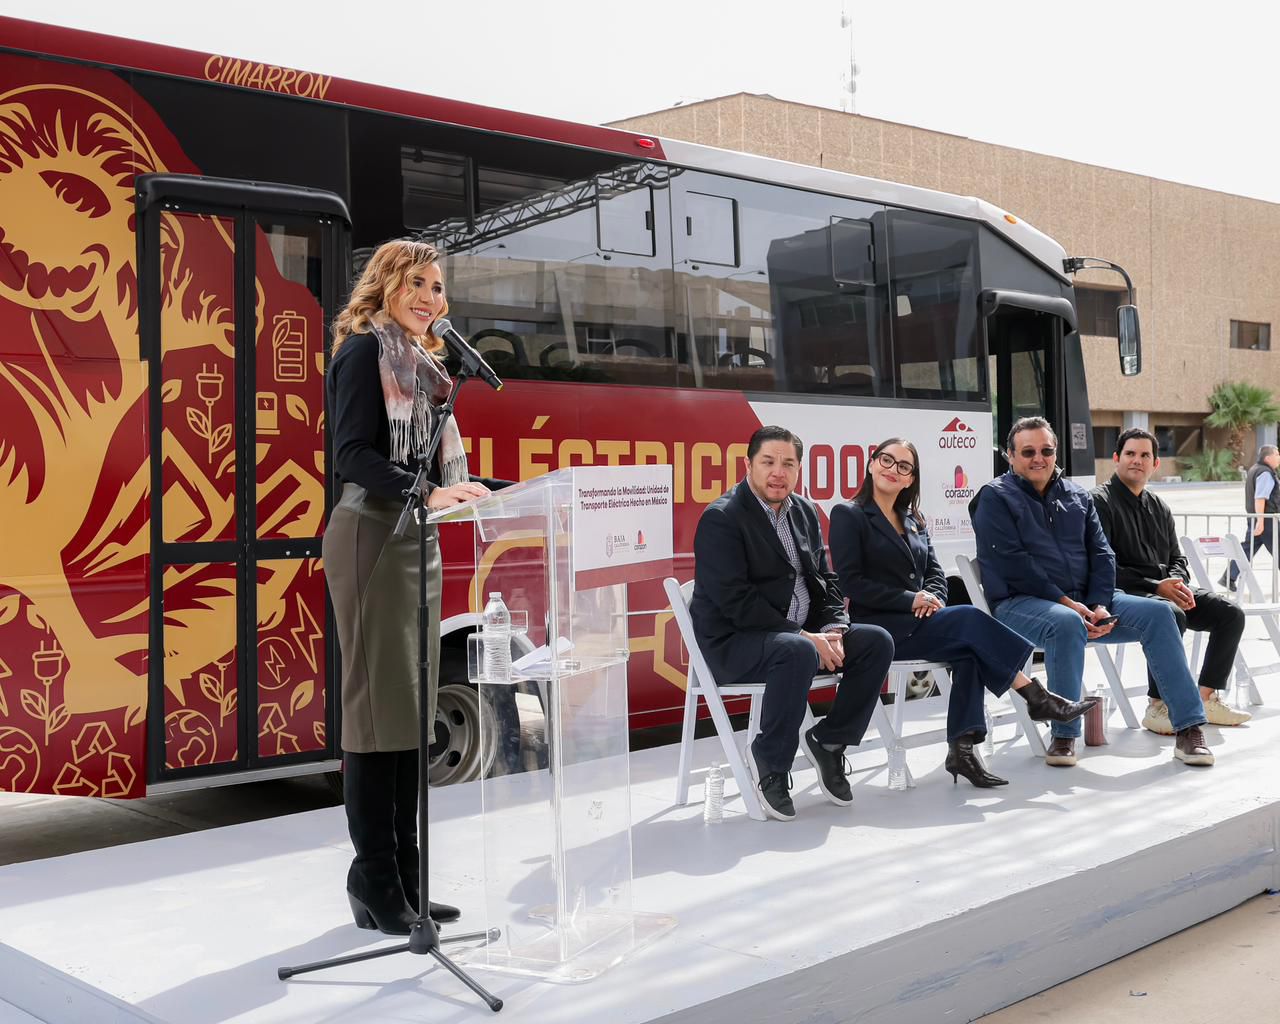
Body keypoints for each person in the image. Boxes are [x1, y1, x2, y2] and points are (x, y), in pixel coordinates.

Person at [322, 239, 501, 934]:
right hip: (371, 535)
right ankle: (374, 878)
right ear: (388, 285)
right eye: (417, 283)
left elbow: (430, 465)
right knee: (377, 716)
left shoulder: (425, 366)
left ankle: (406, 877)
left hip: (414, 537)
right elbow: (353, 455)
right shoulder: (363, 353)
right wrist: (427, 492)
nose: (431, 297)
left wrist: (485, 490)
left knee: (409, 715)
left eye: (438, 286)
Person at [829, 439, 1097, 788]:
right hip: (881, 630)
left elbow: (935, 573)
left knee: (970, 651)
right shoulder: (848, 514)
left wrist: (934, 600)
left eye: (904, 466)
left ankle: (963, 750)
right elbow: (852, 583)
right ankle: (1035, 696)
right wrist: (911, 600)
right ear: (871, 464)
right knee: (970, 619)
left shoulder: (914, 519)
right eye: (886, 460)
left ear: (911, 479)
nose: (893, 469)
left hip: (921, 622)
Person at [970, 416, 1214, 768]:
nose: (1038, 458)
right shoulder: (994, 497)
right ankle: (1064, 734)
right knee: (1066, 622)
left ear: (1056, 453)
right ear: (1010, 455)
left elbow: (1103, 555)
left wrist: (1098, 603)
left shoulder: (1077, 495)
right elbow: (1014, 564)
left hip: (1086, 603)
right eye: (1028, 452)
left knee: (1161, 613)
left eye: (1046, 451)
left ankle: (1189, 729)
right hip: (1020, 604)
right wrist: (1070, 604)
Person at [690, 425, 894, 821]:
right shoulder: (722, 518)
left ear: (799, 469)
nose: (778, 472)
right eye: (768, 462)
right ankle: (771, 761)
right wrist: (804, 635)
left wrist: (834, 630)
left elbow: (825, 578)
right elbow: (736, 602)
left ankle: (829, 742)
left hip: (800, 638)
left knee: (876, 642)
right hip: (736, 642)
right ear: (748, 465)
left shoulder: (803, 510)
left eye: (788, 464)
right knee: (797, 650)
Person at [1093, 428, 1250, 731]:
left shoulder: (1159, 506)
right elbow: (1103, 566)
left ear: (1155, 464)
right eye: (1130, 453)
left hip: (1167, 589)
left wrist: (1176, 582)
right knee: (1168, 613)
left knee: (1230, 614)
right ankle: (1158, 705)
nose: (1137, 460)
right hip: (1126, 593)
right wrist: (1157, 587)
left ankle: (1206, 698)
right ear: (1116, 458)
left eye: (1145, 455)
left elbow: (1178, 557)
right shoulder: (1100, 502)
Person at [1225, 445, 1280, 590]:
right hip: (1266, 520)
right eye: (1277, 455)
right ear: (1268, 457)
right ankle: (1229, 576)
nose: (1279, 458)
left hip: (1256, 518)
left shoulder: (1255, 469)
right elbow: (1260, 498)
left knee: (1248, 548)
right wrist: (1261, 521)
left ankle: (1229, 576)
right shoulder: (1265, 473)